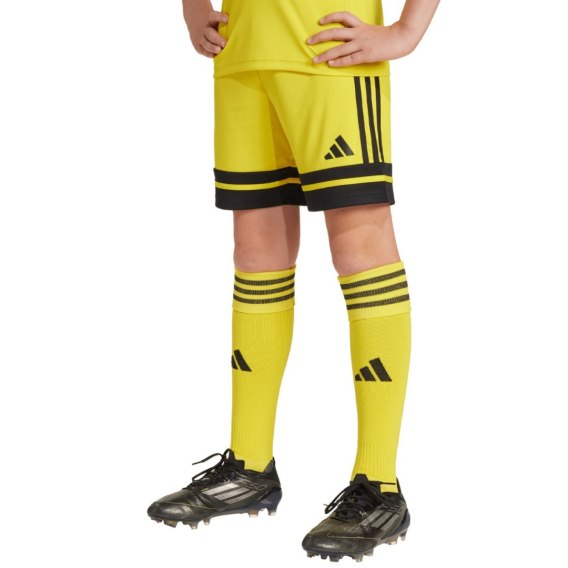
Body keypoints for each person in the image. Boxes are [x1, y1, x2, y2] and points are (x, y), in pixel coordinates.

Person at [148, 0, 440, 561]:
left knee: (360, 247)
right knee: (256, 252)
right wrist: (193, 8)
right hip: (243, 55)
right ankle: (250, 466)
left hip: (329, 53)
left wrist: (406, 31)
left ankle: (379, 486)